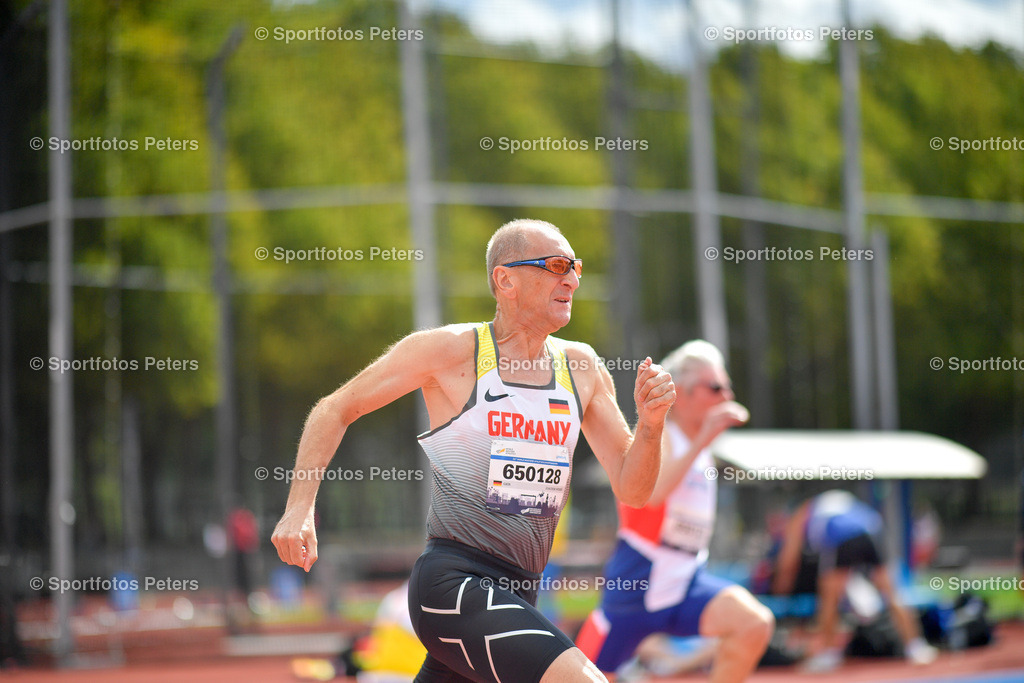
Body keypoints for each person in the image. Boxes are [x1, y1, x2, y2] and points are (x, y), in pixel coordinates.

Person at [272, 219, 677, 683]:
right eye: (557, 265)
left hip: (520, 591)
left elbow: (634, 489)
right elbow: (334, 409)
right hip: (453, 584)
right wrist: (298, 508)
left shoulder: (581, 367)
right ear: (506, 279)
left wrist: (651, 425)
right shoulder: (450, 352)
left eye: (576, 267)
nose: (572, 279)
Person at [576, 340, 774, 682]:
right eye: (715, 387)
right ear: (680, 392)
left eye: (728, 387)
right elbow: (650, 497)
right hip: (638, 580)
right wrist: (705, 438)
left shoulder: (704, 450)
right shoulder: (658, 436)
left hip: (686, 579)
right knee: (584, 676)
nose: (725, 396)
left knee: (753, 623)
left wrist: (704, 442)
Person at [772, 489, 938, 672]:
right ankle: (916, 647)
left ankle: (827, 654)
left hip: (842, 537)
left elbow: (789, 557)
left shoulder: (802, 513)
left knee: (829, 599)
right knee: (893, 594)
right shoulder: (835, 500)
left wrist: (781, 587)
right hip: (874, 530)